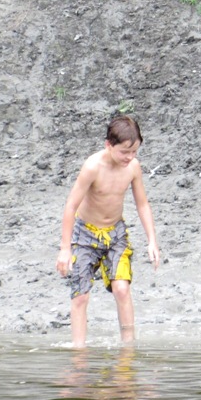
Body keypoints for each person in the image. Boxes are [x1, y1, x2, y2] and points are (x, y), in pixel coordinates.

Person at [55, 115, 161, 347]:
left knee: (122, 289)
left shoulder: (133, 167)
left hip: (115, 234)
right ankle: (79, 351)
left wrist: (152, 241)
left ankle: (128, 347)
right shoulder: (92, 167)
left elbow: (142, 204)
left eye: (134, 151)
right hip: (85, 235)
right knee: (81, 295)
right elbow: (71, 206)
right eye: (124, 152)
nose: (129, 157)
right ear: (108, 145)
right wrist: (65, 249)